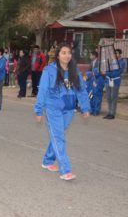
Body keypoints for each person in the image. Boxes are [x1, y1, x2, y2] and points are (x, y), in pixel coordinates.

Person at [34, 43, 90, 181]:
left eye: (69, 53)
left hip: (69, 109)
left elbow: (81, 90)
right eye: (63, 52)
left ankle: (47, 161)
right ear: (58, 55)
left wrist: (85, 107)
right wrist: (39, 110)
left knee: (56, 136)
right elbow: (43, 91)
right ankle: (66, 170)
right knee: (59, 138)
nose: (67, 55)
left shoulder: (74, 70)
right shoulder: (49, 70)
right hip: (53, 109)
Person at [103, 49, 127, 119]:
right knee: (108, 97)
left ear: (120, 54)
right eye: (114, 53)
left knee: (113, 97)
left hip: (115, 81)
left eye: (116, 53)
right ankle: (109, 112)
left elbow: (117, 72)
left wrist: (108, 73)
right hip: (108, 81)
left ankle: (112, 113)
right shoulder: (111, 61)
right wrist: (107, 73)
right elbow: (107, 69)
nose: (115, 55)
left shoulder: (122, 62)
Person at [89, 51, 105, 116]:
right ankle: (92, 110)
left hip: (99, 81)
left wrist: (95, 74)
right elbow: (90, 71)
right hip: (92, 81)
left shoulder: (100, 63)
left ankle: (97, 110)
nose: (90, 57)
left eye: (90, 55)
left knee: (98, 97)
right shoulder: (91, 62)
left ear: (94, 55)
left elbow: (102, 73)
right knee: (91, 96)